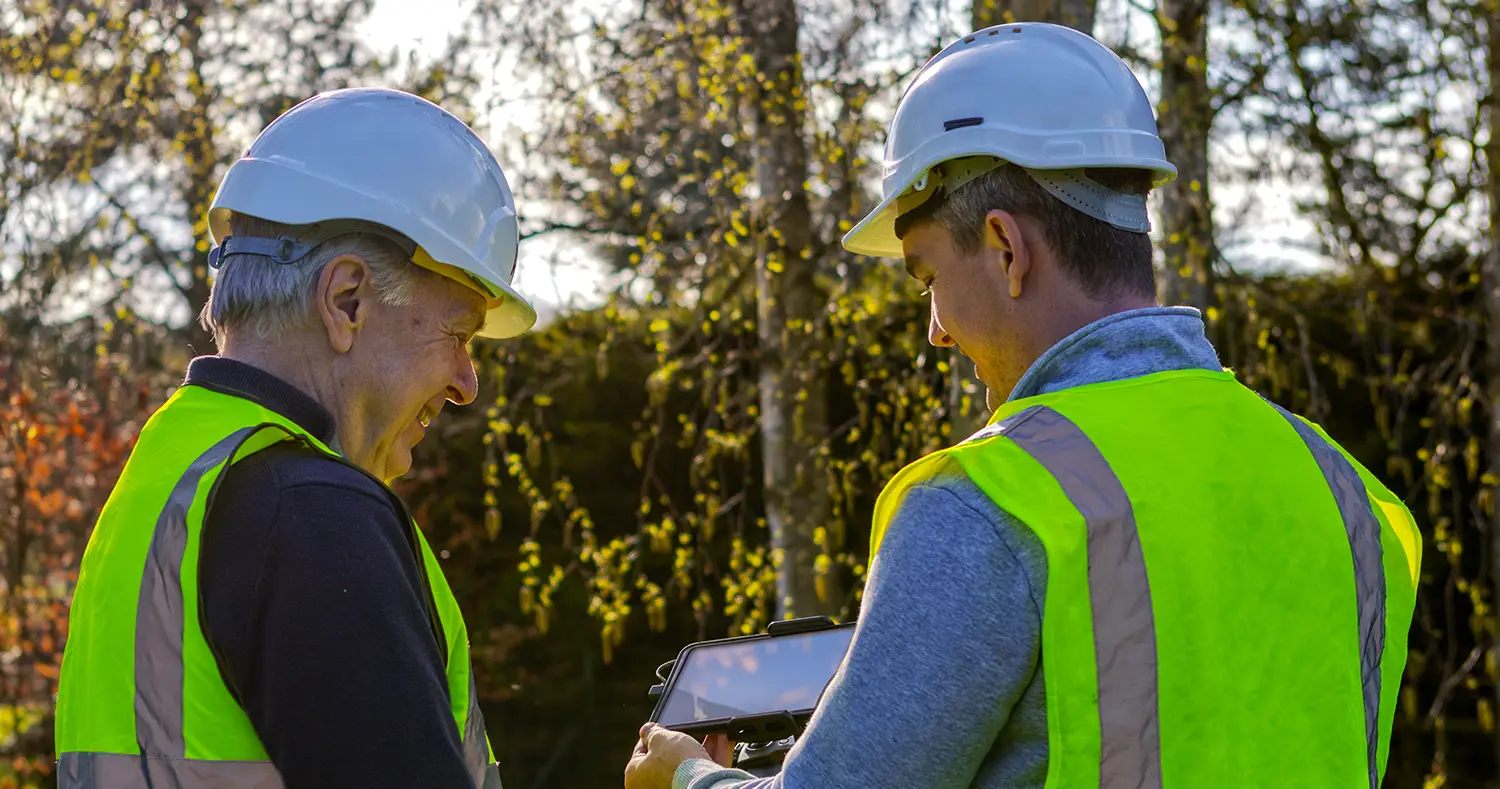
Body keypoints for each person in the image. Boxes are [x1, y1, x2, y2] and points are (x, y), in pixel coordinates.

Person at [624, 22, 1422, 789]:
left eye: (926, 275)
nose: (935, 329)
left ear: (1006, 248)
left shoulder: (989, 506)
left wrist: (687, 773)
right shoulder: (1349, 495)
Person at [54, 87, 535, 789]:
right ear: (347, 300)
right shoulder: (311, 513)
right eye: (457, 334)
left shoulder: (171, 473)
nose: (467, 383)